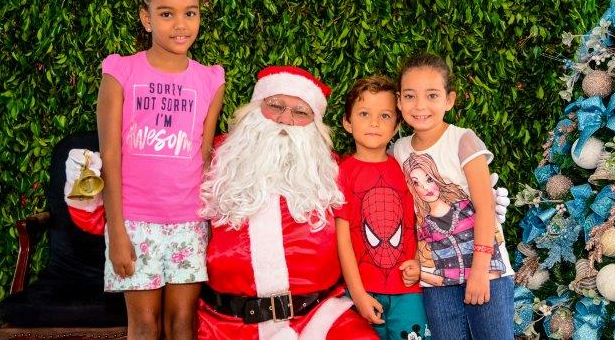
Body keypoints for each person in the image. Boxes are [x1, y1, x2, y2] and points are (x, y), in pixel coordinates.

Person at [198, 66, 379, 339]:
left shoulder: (332, 170)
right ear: (255, 109)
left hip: (318, 318)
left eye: (300, 112)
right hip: (225, 324)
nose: (285, 119)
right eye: (275, 106)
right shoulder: (219, 159)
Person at [97, 0, 225, 340]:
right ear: (146, 18)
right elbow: (110, 157)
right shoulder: (120, 72)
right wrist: (117, 230)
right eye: (167, 14)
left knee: (183, 323)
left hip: (189, 221)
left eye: (190, 12)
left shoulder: (210, 80)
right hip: (134, 222)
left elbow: (204, 157)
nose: (181, 25)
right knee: (144, 325)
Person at [391, 52, 514, 340]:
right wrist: (416, 260)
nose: (420, 105)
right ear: (398, 101)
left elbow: (485, 208)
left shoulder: (463, 141)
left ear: (449, 100)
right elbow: (413, 215)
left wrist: (479, 271)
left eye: (432, 95)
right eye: (410, 96)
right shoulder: (399, 150)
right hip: (436, 278)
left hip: (486, 271)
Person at [335, 76, 430, 340]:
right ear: (347, 122)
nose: (374, 123)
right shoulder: (342, 173)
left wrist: (420, 262)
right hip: (362, 290)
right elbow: (343, 241)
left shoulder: (406, 168)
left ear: (397, 125)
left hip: (409, 290)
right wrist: (357, 294)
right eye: (364, 113)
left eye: (385, 115)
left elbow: (423, 220)